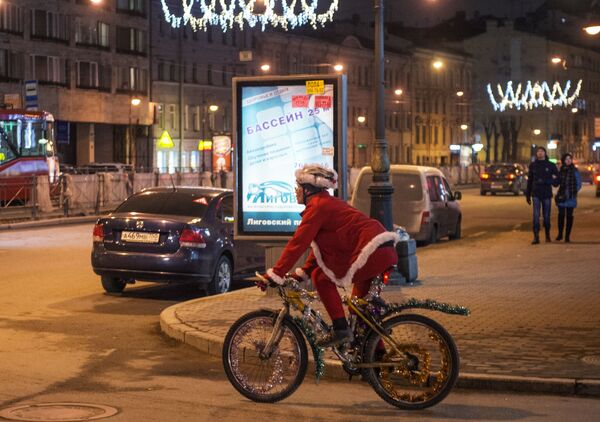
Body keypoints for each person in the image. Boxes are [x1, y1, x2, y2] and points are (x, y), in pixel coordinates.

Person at [260, 164, 399, 347]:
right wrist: (300, 274)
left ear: (308, 189)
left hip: (371, 252)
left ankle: (340, 328)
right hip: (379, 249)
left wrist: (275, 274)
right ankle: (377, 358)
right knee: (360, 310)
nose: (295, 191)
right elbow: (322, 251)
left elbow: (298, 243)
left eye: (298, 187)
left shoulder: (318, 207)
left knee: (321, 278)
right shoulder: (324, 204)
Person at [525, 146, 559, 244]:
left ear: (545, 153)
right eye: (538, 151)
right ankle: (536, 236)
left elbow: (557, 180)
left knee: (546, 216)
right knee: (536, 215)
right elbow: (530, 180)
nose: (540, 153)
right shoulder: (533, 165)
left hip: (547, 194)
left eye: (542, 151)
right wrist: (528, 194)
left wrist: (548, 181)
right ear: (536, 154)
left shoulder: (551, 165)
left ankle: (547, 235)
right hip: (536, 193)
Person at [555, 153, 582, 242]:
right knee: (561, 215)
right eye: (566, 159)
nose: (568, 160)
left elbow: (578, 184)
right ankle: (560, 234)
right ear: (563, 161)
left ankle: (567, 236)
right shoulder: (561, 170)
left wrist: (572, 192)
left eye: (570, 159)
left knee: (569, 216)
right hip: (562, 196)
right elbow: (556, 183)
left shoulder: (575, 171)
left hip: (571, 196)